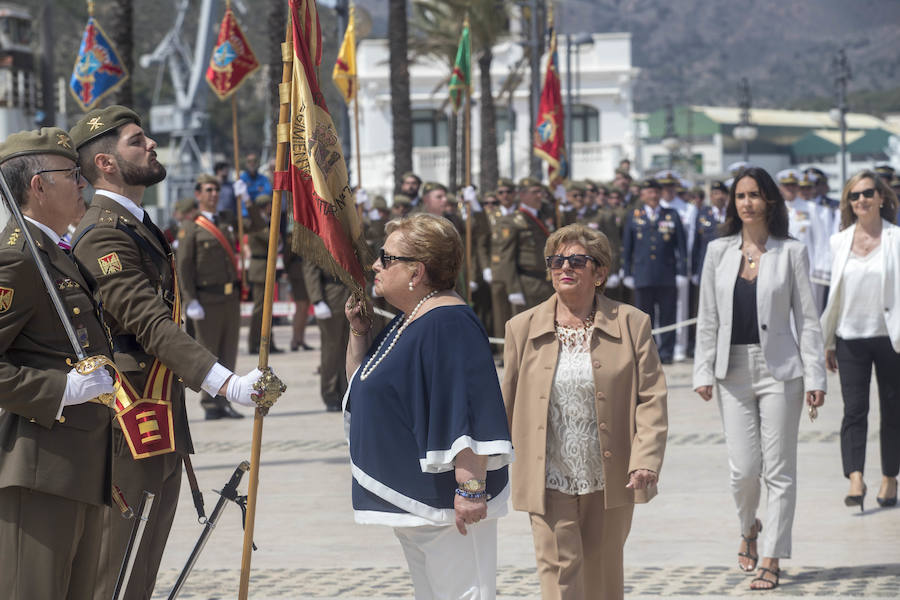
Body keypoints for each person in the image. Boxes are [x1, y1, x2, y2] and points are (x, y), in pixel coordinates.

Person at [69, 105, 267, 600]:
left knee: (145, 555)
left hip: (157, 408)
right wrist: (224, 381)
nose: (152, 144)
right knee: (117, 565)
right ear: (106, 164)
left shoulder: (136, 224)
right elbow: (147, 321)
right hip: (130, 417)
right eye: (137, 141)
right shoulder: (103, 234)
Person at [343, 213, 513, 600]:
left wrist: (471, 489)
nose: (375, 266)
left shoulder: (448, 322)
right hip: (419, 503)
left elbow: (468, 409)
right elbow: (363, 383)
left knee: (463, 593)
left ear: (416, 271)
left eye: (386, 258)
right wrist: (358, 333)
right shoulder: (412, 318)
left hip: (446, 503)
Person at [502, 223, 668, 600]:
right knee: (558, 574)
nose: (565, 268)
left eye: (577, 260)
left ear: (600, 272)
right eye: (557, 260)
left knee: (602, 574)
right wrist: (483, 474)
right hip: (549, 476)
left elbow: (652, 398)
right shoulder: (521, 328)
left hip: (610, 475)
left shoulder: (632, 324)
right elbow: (505, 402)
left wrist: (645, 460)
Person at [692, 166, 826, 591]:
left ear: (769, 200)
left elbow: (807, 321)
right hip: (731, 369)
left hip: (781, 372)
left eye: (754, 195)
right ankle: (749, 526)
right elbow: (708, 318)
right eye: (740, 195)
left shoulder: (791, 252)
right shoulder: (718, 252)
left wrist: (816, 377)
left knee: (781, 471)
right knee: (744, 471)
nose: (746, 202)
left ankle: (772, 555)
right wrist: (702, 369)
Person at [0, 127, 117, 598]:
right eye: (70, 174)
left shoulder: (55, 252)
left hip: (78, 466)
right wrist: (61, 390)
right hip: (41, 473)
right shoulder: (18, 258)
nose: (83, 183)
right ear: (38, 186)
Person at [820, 170, 900, 509]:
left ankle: (889, 477)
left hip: (891, 338)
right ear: (848, 203)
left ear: (882, 197)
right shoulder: (839, 241)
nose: (862, 200)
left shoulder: (897, 238)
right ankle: (855, 477)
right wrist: (827, 341)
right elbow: (831, 296)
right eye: (854, 196)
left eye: (868, 193)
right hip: (850, 337)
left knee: (893, 411)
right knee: (854, 409)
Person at [177, 174, 246, 419]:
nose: (213, 194)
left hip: (229, 299)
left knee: (229, 351)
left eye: (216, 190)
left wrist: (243, 200)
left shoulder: (226, 223)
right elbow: (183, 266)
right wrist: (190, 299)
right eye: (208, 190)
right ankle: (209, 402)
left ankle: (224, 401)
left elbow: (257, 227)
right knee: (210, 353)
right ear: (198, 195)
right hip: (206, 300)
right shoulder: (191, 228)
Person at [621, 178, 687, 364]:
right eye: (649, 192)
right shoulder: (634, 215)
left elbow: (681, 246)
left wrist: (682, 271)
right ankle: (646, 354)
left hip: (666, 274)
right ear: (642, 195)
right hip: (642, 274)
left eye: (656, 192)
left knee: (668, 315)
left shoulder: (671, 214)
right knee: (643, 318)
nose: (653, 195)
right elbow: (627, 247)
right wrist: (627, 272)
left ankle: (666, 353)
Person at [494, 177, 555, 313]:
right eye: (535, 192)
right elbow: (506, 257)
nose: (540, 196)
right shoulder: (512, 221)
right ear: (522, 195)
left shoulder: (545, 216)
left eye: (541, 192)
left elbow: (566, 223)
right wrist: (513, 289)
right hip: (527, 284)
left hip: (548, 282)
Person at [304, 261, 350, 412]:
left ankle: (347, 391)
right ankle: (330, 395)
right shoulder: (320, 238)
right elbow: (310, 268)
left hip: (352, 293)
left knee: (350, 348)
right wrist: (317, 300)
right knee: (331, 350)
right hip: (330, 295)